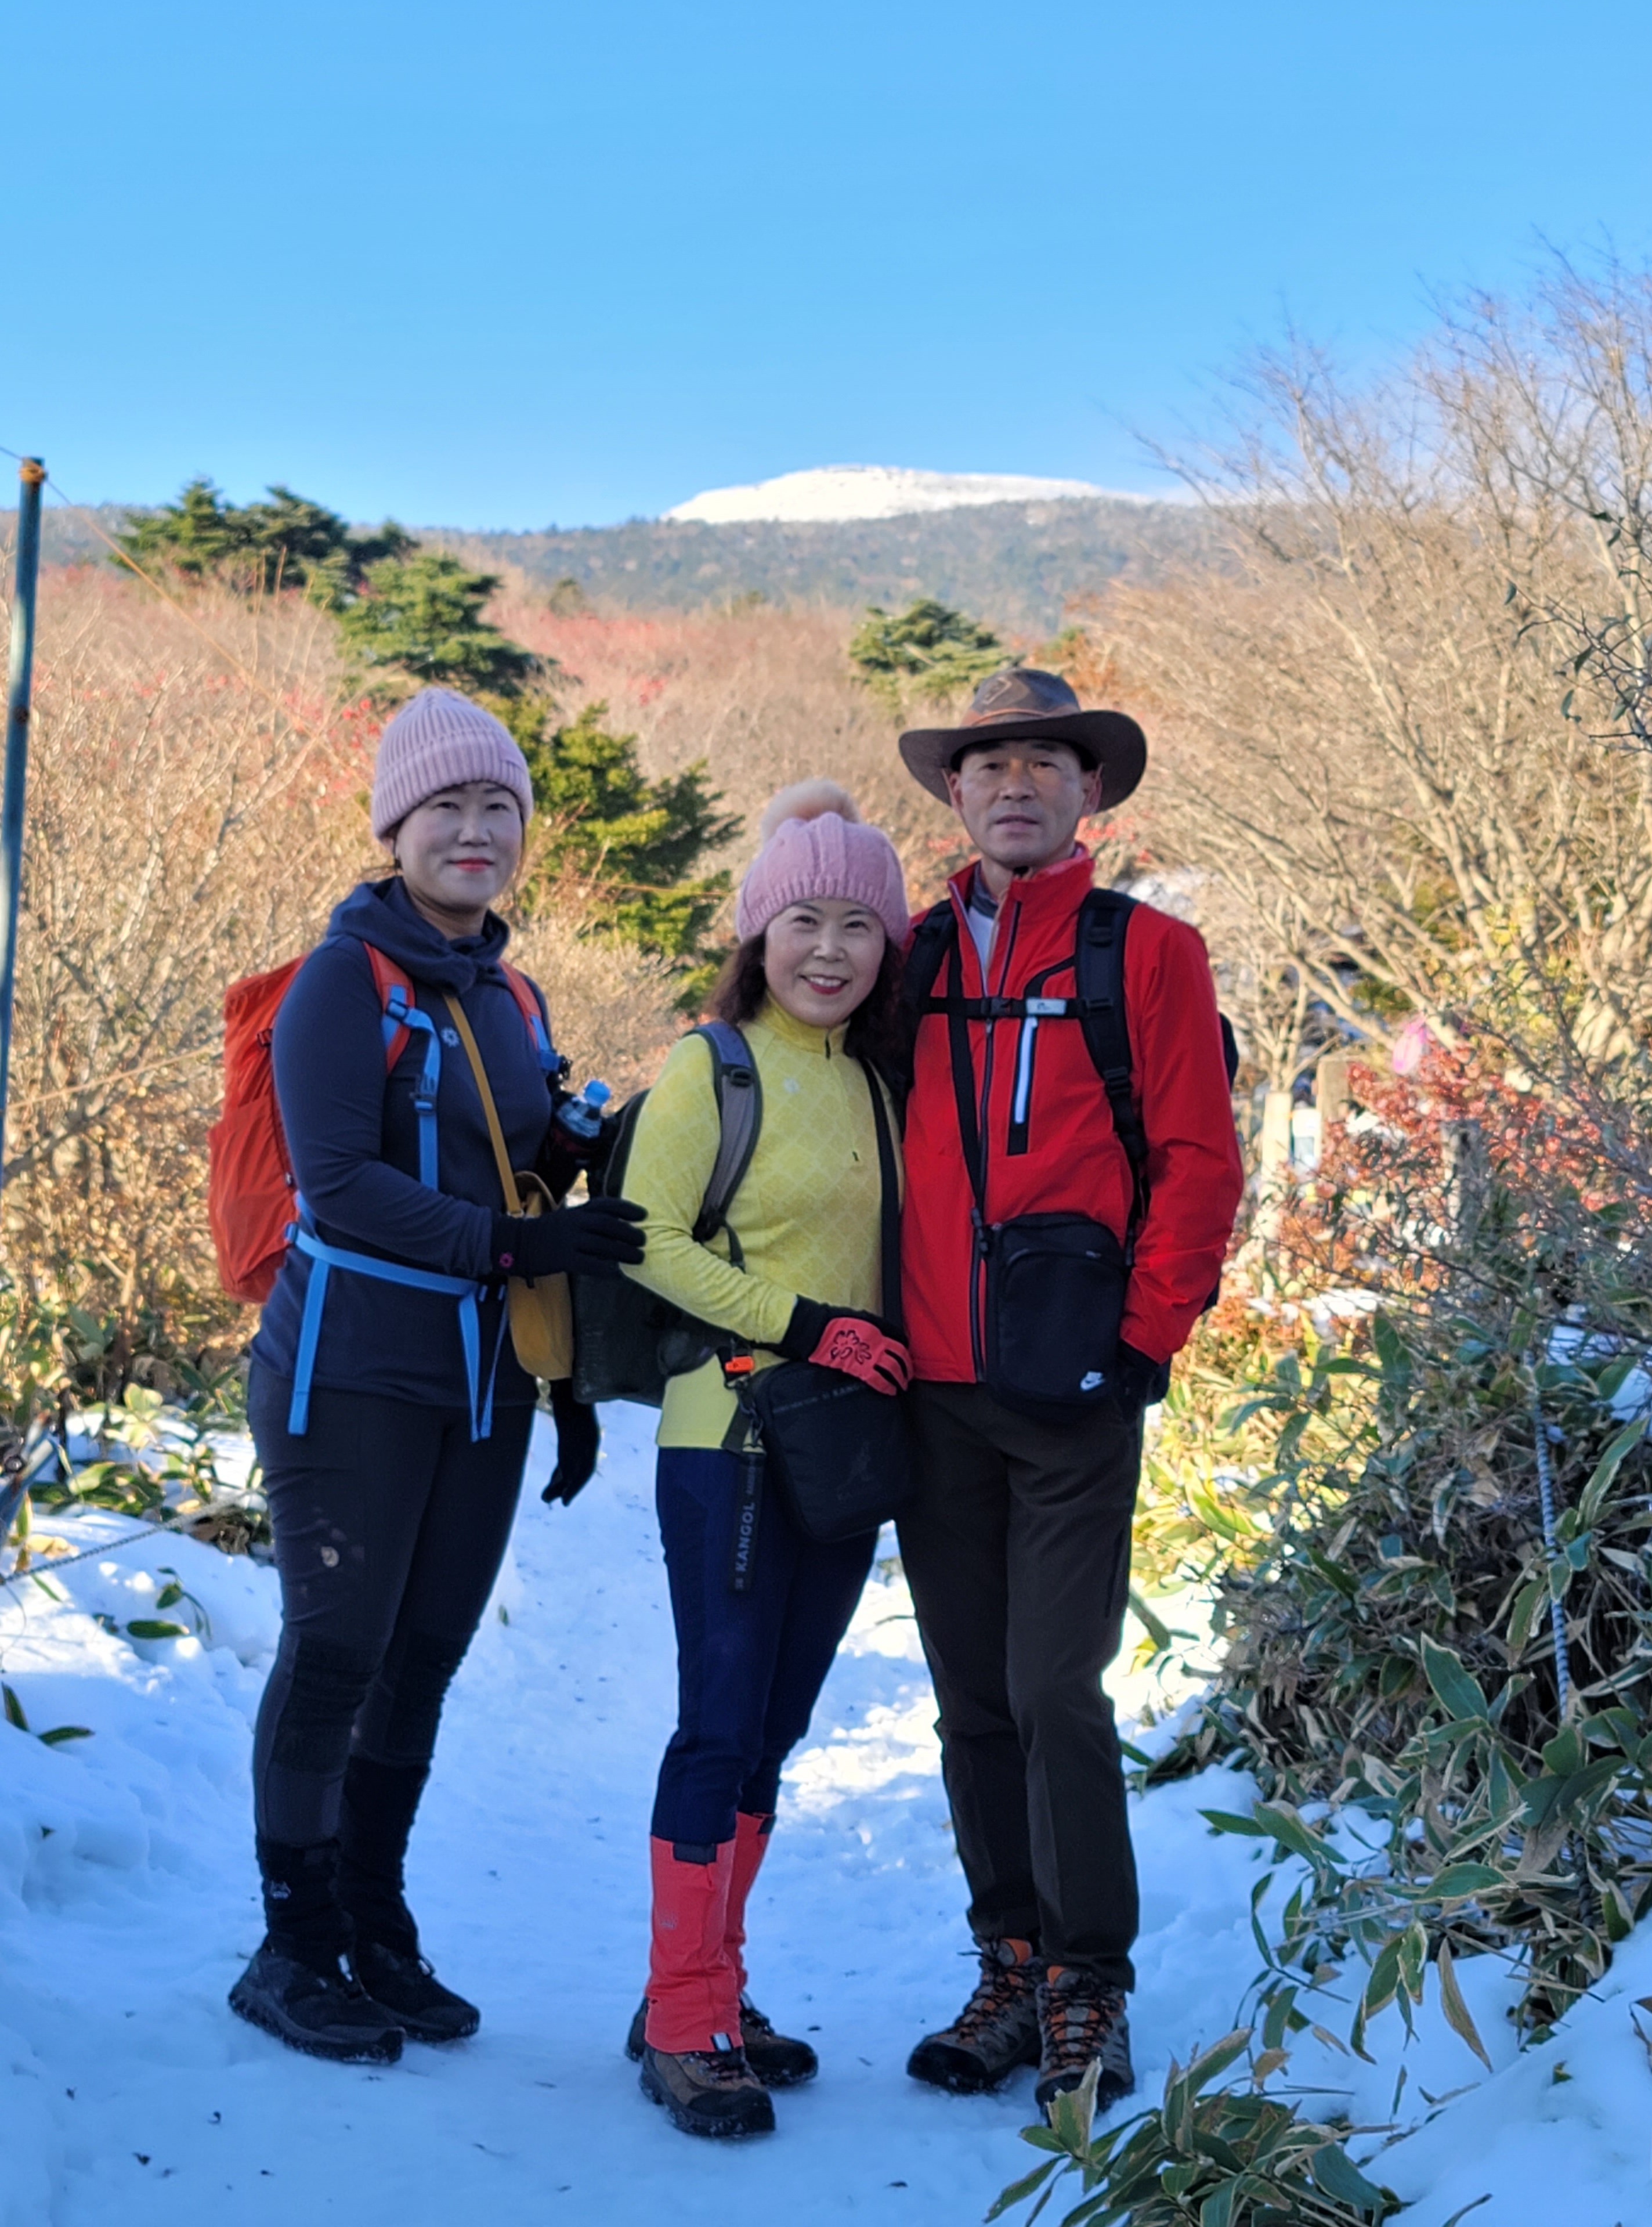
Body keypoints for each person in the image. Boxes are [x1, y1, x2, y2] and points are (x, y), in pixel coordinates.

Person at [230, 687, 645, 2065]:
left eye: (499, 807)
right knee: (337, 1648)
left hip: (485, 1382)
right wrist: (516, 1243)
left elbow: (515, 1175)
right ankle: (292, 1946)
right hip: (349, 1367)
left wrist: (566, 1382)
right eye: (448, 806)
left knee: (423, 1658)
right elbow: (340, 1183)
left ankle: (374, 1918)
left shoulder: (510, 993)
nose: (477, 830)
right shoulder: (341, 981)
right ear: (395, 827)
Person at [894, 667, 1245, 2112]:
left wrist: (1146, 1340)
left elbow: (1201, 1161)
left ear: (1089, 788)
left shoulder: (1148, 953)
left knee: (1055, 1688)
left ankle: (1087, 1979)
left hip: (1075, 1389)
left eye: (1046, 760)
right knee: (972, 1697)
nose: (1017, 783)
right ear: (956, 791)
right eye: (989, 764)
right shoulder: (906, 957)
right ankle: (1012, 1959)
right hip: (930, 1385)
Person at [619, 781, 912, 2140]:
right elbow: (645, 1236)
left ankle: (709, 1988)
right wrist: (808, 1325)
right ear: (759, 931)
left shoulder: (877, 1080)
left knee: (778, 1726)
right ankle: (684, 2018)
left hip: (838, 1450)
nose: (830, 949)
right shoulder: (715, 1065)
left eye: (859, 923)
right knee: (721, 1719)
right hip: (727, 1435)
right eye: (805, 919)